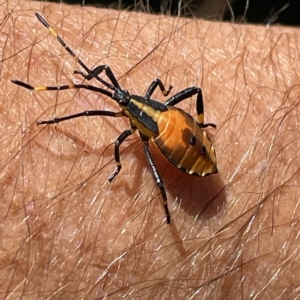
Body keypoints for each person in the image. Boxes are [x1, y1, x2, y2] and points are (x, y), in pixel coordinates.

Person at [2, 1, 299, 298]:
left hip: (168, 132)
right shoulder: (140, 100)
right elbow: (149, 82)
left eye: (120, 97)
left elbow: (117, 139)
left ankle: (170, 204)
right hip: (170, 118)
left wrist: (118, 165)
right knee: (188, 95)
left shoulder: (131, 125)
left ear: (126, 102)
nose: (118, 97)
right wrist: (92, 80)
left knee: (155, 176)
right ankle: (199, 126)